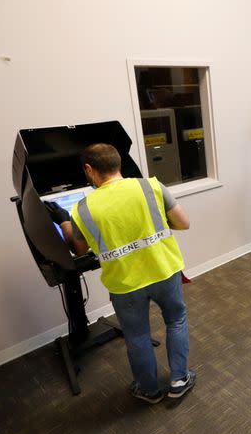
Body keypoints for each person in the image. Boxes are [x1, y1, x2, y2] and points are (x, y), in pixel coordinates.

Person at [52, 143, 195, 404]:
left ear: (89, 169)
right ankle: (179, 380)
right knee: (175, 321)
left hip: (125, 284)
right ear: (118, 163)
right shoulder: (149, 185)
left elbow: (81, 250)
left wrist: (63, 221)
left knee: (137, 336)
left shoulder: (82, 208)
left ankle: (149, 390)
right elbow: (183, 223)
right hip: (164, 271)